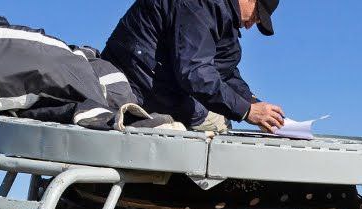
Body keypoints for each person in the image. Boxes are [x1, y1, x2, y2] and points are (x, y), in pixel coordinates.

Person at [102, 0, 286, 133]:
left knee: (220, 119)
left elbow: (225, 72)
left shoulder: (219, 13)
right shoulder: (198, 6)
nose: (251, 25)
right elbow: (195, 72)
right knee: (218, 125)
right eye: (257, 15)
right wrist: (246, 111)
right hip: (137, 87)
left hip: (159, 83)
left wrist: (254, 105)